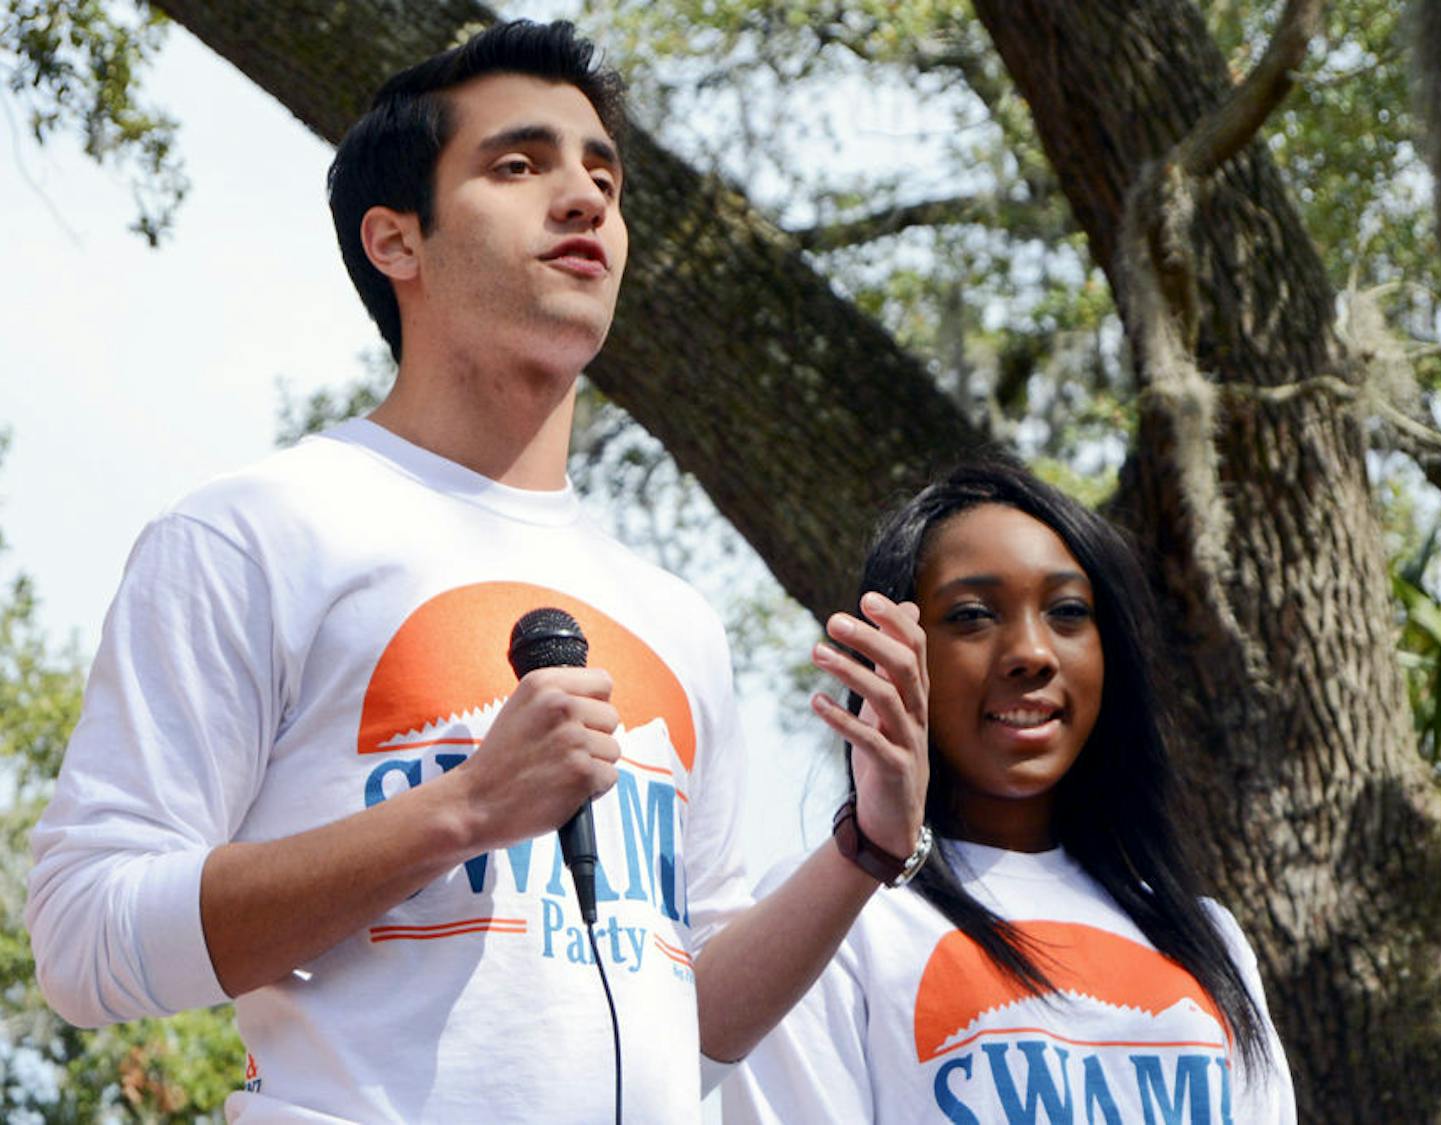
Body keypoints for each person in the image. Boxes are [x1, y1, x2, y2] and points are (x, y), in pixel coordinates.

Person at [25, 20, 930, 1122]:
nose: (586, 198)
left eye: (604, 175)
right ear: (397, 240)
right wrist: (462, 811)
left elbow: (689, 1026)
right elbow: (82, 940)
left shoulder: (674, 619)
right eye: (519, 164)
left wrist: (864, 848)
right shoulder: (256, 532)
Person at [721, 456, 1297, 1123]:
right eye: (971, 615)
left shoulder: (1208, 938)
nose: (1032, 651)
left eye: (1068, 611)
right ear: (895, 656)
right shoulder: (835, 919)